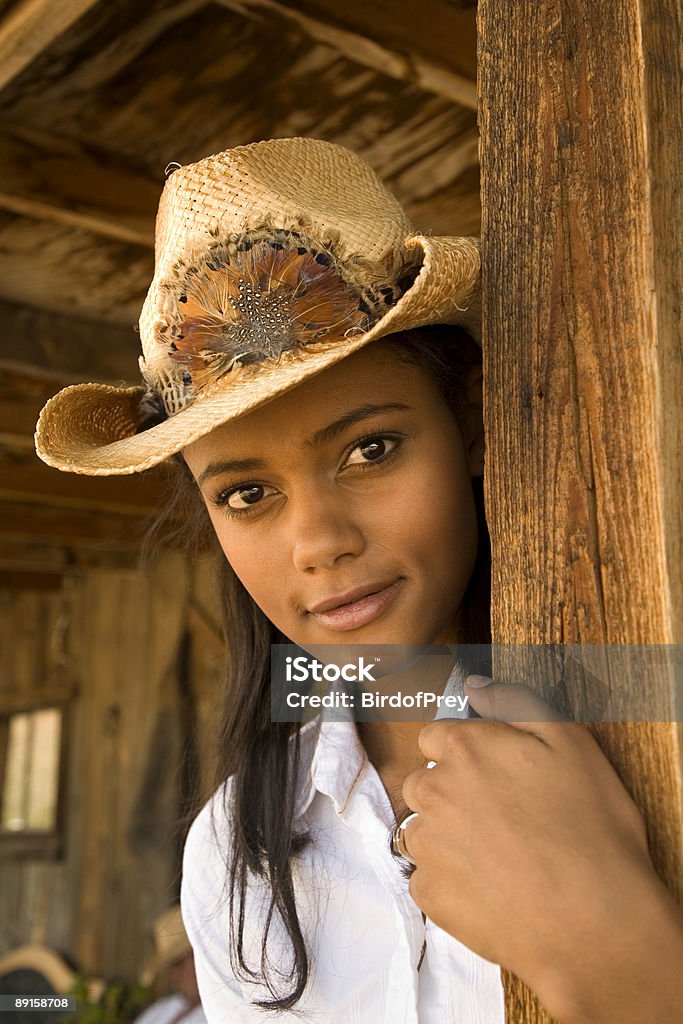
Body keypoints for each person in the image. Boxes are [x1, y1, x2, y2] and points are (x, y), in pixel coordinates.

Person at [35, 138, 683, 1023]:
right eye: (247, 493)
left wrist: (616, 960)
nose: (317, 543)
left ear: (470, 426)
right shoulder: (233, 852)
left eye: (369, 449)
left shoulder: (648, 737)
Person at [136, 906, 206, 1024]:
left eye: (178, 964)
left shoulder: (223, 1015)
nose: (173, 977)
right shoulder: (166, 1007)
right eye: (170, 967)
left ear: (198, 959)